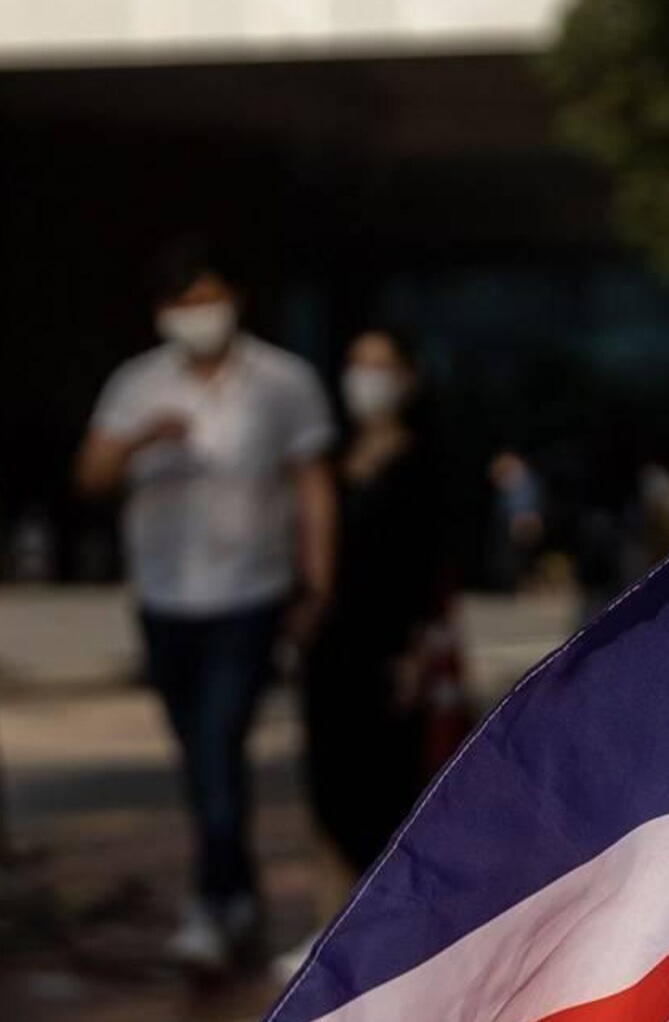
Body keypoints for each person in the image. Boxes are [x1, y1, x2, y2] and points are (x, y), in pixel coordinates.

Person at [75, 244, 337, 970]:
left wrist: (317, 582)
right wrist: (136, 439)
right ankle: (236, 889)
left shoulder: (284, 382)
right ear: (163, 314)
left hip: (249, 593)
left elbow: (312, 485)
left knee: (220, 742)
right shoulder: (136, 385)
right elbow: (89, 475)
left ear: (237, 299)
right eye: (184, 305)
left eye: (209, 299)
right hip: (164, 594)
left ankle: (210, 903)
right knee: (198, 752)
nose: (200, 318)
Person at [296, 327, 456, 923]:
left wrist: (420, 652)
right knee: (326, 792)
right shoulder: (327, 460)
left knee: (386, 795)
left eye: (382, 366)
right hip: (329, 645)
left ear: (410, 378)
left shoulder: (425, 462)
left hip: (391, 648)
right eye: (357, 363)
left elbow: (432, 565)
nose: (367, 379)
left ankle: (386, 929)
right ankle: (325, 929)